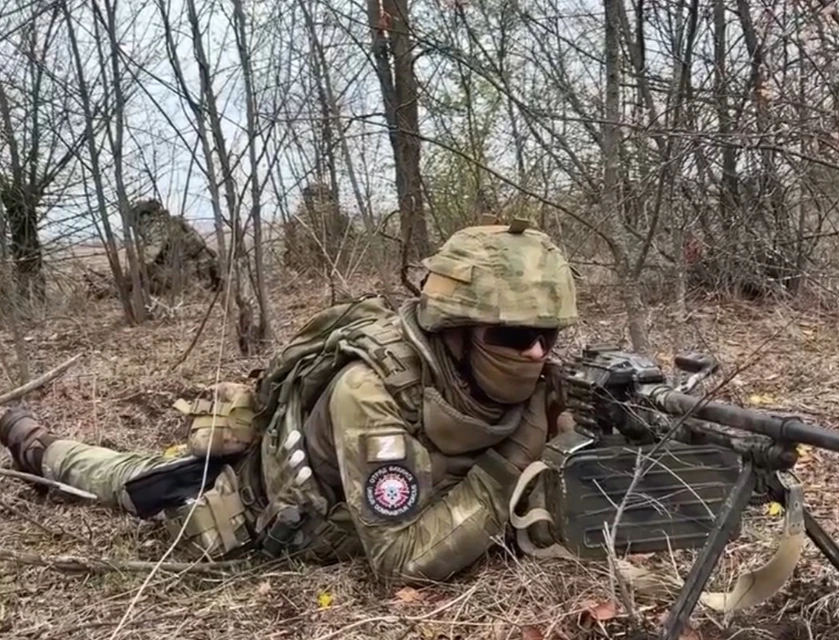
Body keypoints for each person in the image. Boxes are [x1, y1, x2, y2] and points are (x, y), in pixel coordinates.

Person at [0, 219, 578, 585]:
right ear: (453, 329)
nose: (533, 354)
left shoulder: (508, 373)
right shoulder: (372, 390)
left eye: (546, 337)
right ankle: (34, 442)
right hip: (245, 500)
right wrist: (514, 459)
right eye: (510, 336)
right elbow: (401, 559)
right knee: (128, 480)